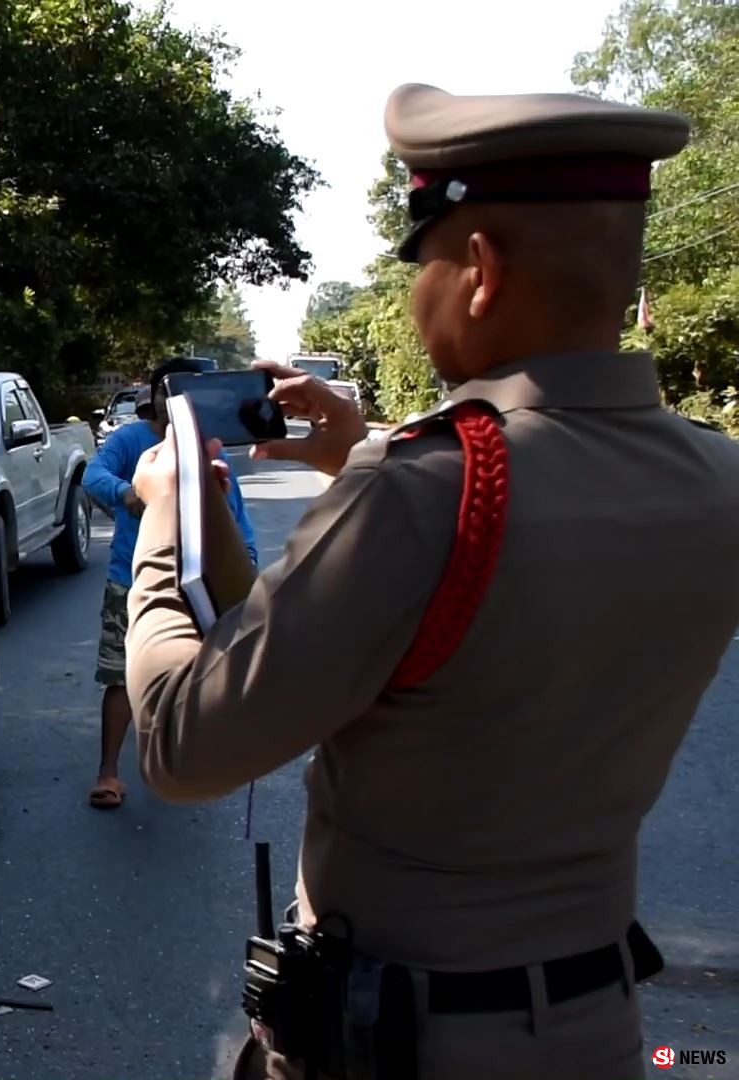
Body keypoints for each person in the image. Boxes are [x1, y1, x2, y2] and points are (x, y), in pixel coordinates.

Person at [124, 84, 739, 1079]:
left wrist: (166, 516)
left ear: (481, 272)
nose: (416, 295)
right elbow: (532, 538)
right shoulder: (715, 478)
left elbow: (181, 746)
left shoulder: (421, 495)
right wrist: (361, 454)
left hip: (404, 1040)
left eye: (423, 261)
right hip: (598, 1025)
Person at [80, 357, 257, 810]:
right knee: (120, 678)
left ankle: (176, 766)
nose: (175, 398)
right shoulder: (130, 440)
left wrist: (247, 565)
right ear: (154, 396)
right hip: (131, 580)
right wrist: (128, 493)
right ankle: (108, 772)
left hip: (198, 585)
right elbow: (92, 475)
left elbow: (236, 516)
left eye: (189, 389)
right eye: (168, 388)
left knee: (197, 676)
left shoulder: (210, 451)